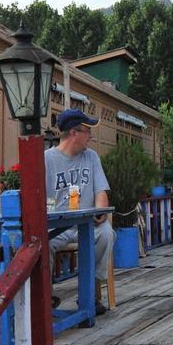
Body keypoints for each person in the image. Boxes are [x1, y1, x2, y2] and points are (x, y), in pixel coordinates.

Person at [45, 108, 115, 311]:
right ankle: (45, 296)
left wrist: (100, 212)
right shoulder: (46, 159)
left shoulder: (91, 157)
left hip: (86, 223)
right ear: (74, 133)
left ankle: (90, 293)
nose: (91, 137)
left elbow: (101, 191)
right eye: (88, 131)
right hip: (57, 226)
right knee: (40, 243)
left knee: (106, 234)